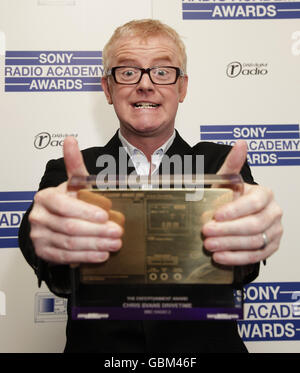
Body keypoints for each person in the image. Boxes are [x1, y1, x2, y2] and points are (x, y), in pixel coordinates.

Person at [19, 19, 283, 353]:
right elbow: (43, 243)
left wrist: (255, 234)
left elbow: (243, 266)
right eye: (128, 72)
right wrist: (45, 235)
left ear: (182, 87)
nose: (145, 85)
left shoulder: (222, 165)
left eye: (162, 72)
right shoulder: (71, 172)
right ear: (107, 87)